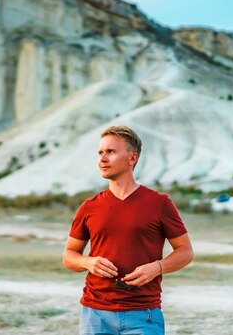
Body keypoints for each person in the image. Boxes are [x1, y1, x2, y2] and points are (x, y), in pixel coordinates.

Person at [63, 126, 193, 335]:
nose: (102, 159)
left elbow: (185, 251)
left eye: (110, 152)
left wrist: (156, 268)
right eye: (100, 153)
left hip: (144, 314)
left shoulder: (159, 203)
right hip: (95, 314)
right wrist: (88, 262)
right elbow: (69, 256)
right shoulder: (89, 206)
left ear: (132, 158)